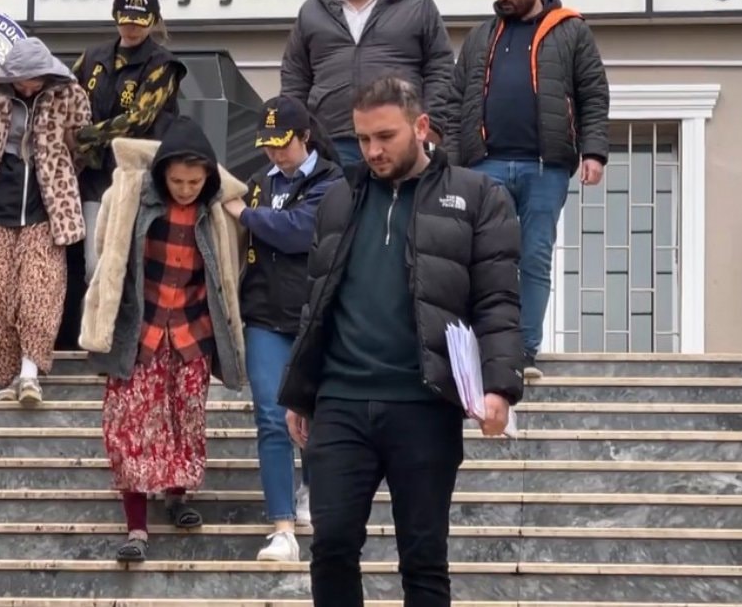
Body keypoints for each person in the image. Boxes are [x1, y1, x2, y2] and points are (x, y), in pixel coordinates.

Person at [279, 76, 524, 606]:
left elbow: (498, 300)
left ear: (421, 126)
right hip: (341, 401)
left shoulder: (478, 196)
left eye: (385, 136)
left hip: (424, 404)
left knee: (423, 557)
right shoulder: (339, 198)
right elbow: (316, 298)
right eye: (363, 138)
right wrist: (301, 391)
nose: (373, 150)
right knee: (331, 546)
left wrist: (500, 386)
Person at [78, 116, 249, 563]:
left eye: (195, 181)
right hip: (140, 330)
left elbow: (229, 273)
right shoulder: (130, 197)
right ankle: (136, 525)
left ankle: (177, 496)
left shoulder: (216, 212)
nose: (186, 189)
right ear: (161, 175)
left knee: (184, 419)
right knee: (129, 425)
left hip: (193, 332)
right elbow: (105, 251)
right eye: (177, 180)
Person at [443, 0, 610, 378]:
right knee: (484, 261)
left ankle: (524, 352)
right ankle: (486, 350)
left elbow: (593, 94)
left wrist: (593, 152)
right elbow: (455, 101)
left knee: (534, 258)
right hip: (485, 168)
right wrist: (452, 165)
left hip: (544, 168)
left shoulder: (571, 31)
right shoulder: (480, 37)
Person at [222, 95, 344, 561]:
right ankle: (281, 527)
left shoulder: (332, 181)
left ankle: (311, 490)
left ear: (305, 137)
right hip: (263, 317)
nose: (275, 152)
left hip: (315, 317)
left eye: (283, 143)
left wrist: (247, 215)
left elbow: (298, 231)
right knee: (272, 419)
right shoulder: (257, 183)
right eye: (268, 144)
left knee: (313, 414)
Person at [0, 37, 91, 404]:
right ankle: (7, 377)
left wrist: (58, 177)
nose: (28, 88)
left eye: (35, 80)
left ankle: (30, 375)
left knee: (40, 291)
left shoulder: (69, 95)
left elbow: (80, 148)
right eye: (22, 81)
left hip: (45, 212)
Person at [280, 0, 453, 167]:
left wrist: (433, 124)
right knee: (337, 194)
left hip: (398, 135)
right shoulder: (312, 11)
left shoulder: (416, 3)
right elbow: (295, 77)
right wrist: (297, 134)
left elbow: (440, 67)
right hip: (331, 142)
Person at [72, 0, 188, 284]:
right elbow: (65, 93)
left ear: (154, 19)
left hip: (139, 177)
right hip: (95, 177)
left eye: (140, 21)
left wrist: (84, 136)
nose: (132, 28)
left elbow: (139, 119)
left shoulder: (163, 65)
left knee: (135, 267)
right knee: (95, 267)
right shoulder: (93, 56)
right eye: (126, 20)